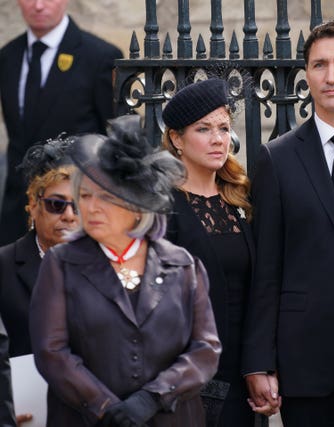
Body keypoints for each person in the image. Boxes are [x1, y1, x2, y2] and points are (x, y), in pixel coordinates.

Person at [29, 115, 221, 426]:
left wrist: (152, 398)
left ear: (138, 205)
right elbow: (51, 352)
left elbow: (205, 349)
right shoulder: (60, 264)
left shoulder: (183, 265)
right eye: (86, 195)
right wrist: (104, 406)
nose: (90, 208)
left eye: (105, 197)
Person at [242, 19, 334, 426]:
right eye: (319, 65)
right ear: (306, 74)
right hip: (307, 361)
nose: (331, 77)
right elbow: (266, 266)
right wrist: (258, 361)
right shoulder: (276, 158)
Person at [162, 77, 254, 427]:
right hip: (188, 376)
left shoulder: (239, 201)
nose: (218, 139)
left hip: (242, 372)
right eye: (204, 129)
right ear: (176, 139)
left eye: (224, 128)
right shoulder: (162, 208)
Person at [0, 0, 123, 246]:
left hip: (74, 206)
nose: (38, 5)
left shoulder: (100, 56)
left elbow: (114, 138)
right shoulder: (7, 56)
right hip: (18, 210)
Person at [0, 135, 77, 359]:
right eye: (56, 205)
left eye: (79, 205)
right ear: (33, 206)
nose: (69, 216)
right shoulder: (4, 267)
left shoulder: (105, 263)